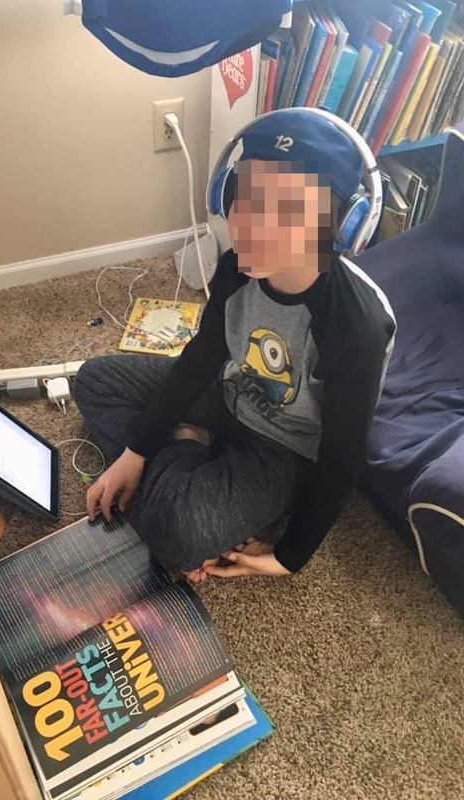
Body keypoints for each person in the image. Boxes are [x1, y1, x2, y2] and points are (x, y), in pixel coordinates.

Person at [73, 109, 396, 583]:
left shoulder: (356, 325)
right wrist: (137, 452)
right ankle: (186, 450)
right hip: (226, 394)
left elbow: (344, 454)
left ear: (342, 227)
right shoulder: (236, 266)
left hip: (280, 448)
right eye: (246, 197)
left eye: (290, 210)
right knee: (93, 380)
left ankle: (187, 453)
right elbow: (202, 357)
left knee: (176, 532)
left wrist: (291, 555)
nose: (255, 224)